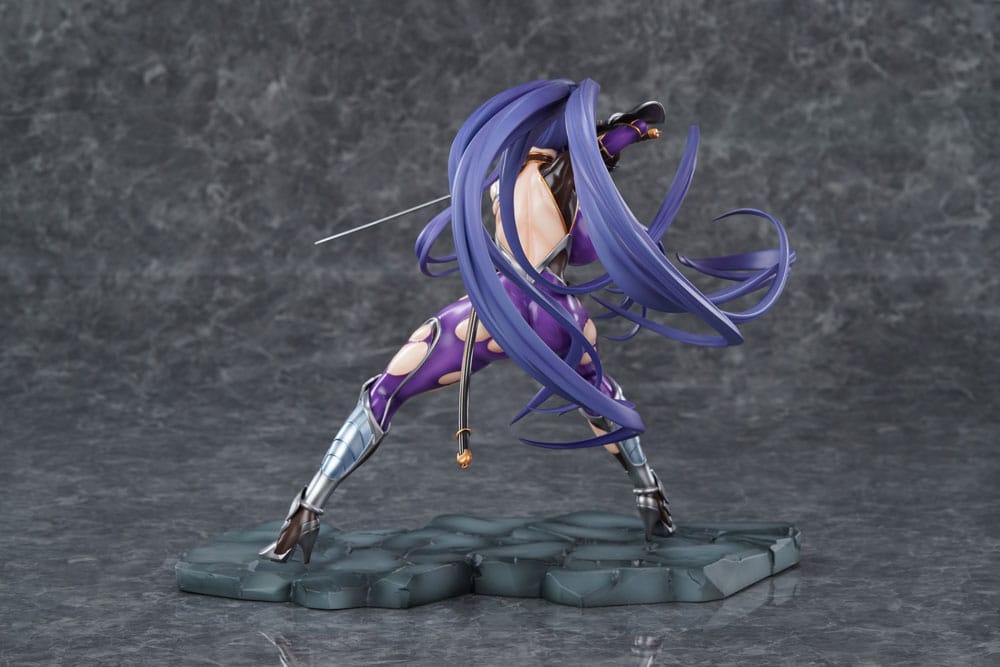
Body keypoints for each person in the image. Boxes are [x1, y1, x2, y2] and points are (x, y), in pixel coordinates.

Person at [261, 79, 793, 564]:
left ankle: (308, 507)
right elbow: (583, 247)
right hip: (557, 318)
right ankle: (649, 492)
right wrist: (618, 140)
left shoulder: (542, 175)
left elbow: (591, 181)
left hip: (504, 309)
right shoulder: (547, 176)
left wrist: (619, 138)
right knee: (600, 396)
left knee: (388, 388)